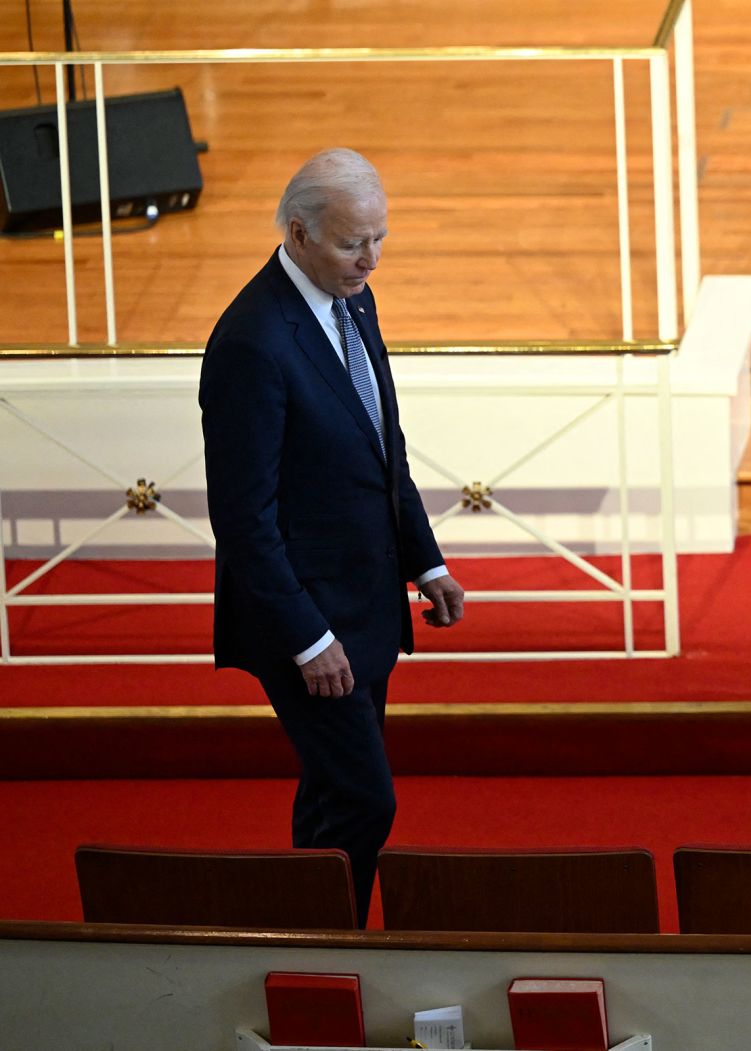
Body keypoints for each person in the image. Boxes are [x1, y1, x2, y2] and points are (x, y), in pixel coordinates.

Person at [199, 147, 465, 927]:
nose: (370, 260)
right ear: (298, 232)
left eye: (380, 239)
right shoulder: (252, 342)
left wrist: (426, 558)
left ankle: (317, 946)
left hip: (367, 607)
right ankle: (328, 942)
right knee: (362, 797)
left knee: (331, 794)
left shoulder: (351, 299)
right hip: (307, 623)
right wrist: (308, 639)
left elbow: (382, 446)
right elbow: (244, 520)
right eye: (354, 243)